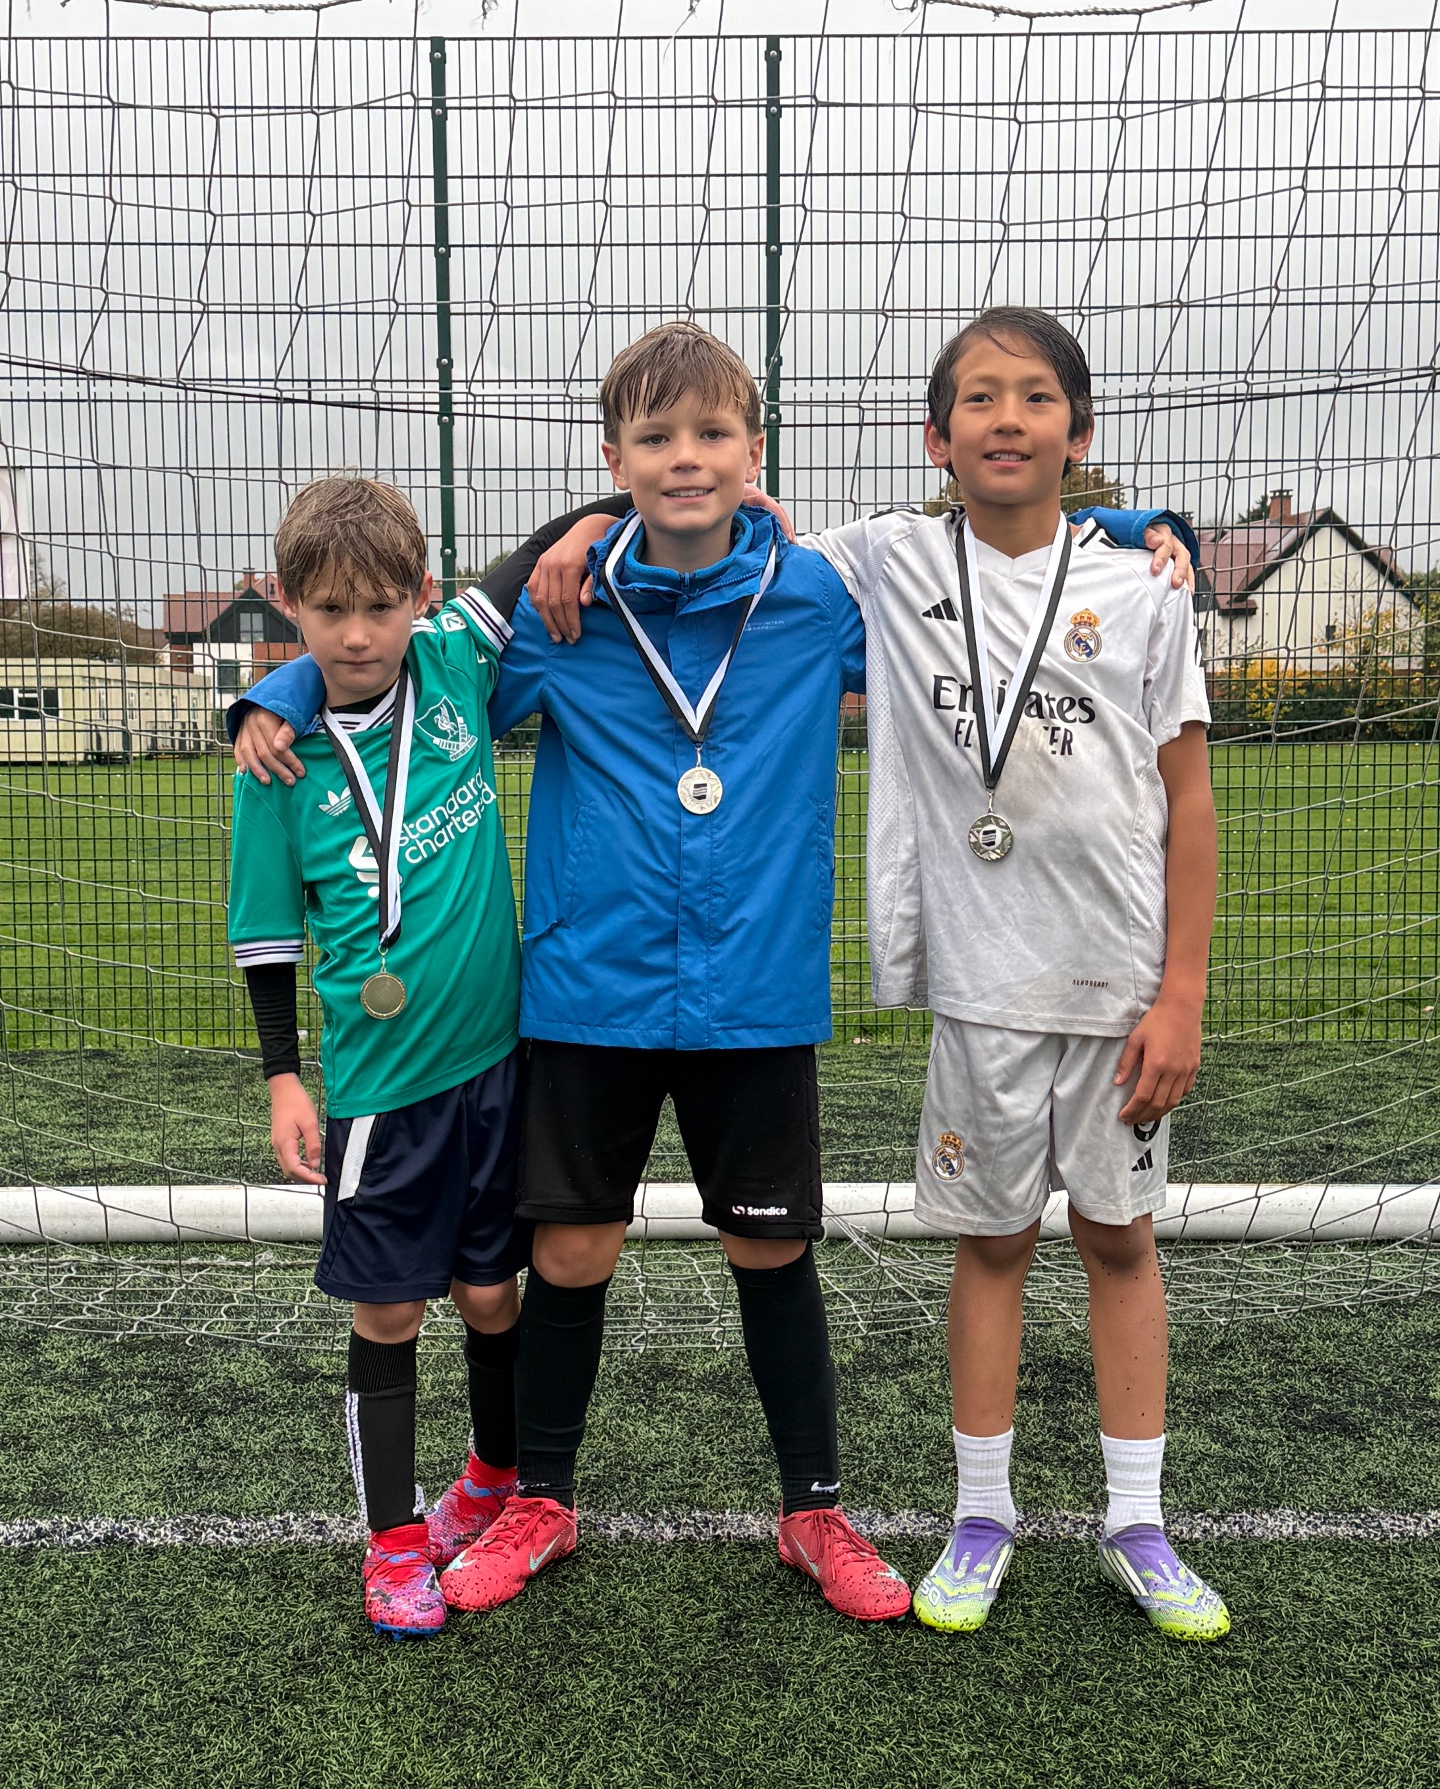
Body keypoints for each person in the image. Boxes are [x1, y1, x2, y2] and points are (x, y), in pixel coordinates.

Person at [233, 324, 1195, 1628]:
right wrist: (280, 685)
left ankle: (814, 1510)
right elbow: (409, 676)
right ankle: (542, 1503)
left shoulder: (819, 597)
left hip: (755, 987)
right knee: (570, 1250)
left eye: (711, 437)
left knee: (775, 1249)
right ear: (614, 460)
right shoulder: (562, 611)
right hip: (590, 992)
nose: (685, 460)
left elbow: (989, 563)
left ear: (755, 452)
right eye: (654, 440)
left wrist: (1142, 521)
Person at [810, 306, 1228, 1639]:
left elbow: (1193, 803)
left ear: (1077, 435)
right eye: (978, 400)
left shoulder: (1146, 587)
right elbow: (729, 521)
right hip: (981, 992)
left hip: (1119, 991)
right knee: (991, 1247)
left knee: (1118, 1239)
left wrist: (1183, 993)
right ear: (935, 440)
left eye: (1035, 397)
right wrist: (591, 532)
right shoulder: (885, 561)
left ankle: (1138, 1524)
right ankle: (981, 1514)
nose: (1006, 417)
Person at [227, 477, 529, 1639]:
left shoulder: (454, 668)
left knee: (493, 1294)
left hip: (496, 1067)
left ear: (422, 599)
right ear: (288, 606)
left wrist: (636, 509)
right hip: (375, 1095)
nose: (356, 636)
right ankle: (393, 1538)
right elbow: (264, 936)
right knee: (391, 1313)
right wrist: (281, 1075)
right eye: (328, 612)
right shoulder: (274, 761)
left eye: (379, 608)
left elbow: (553, 542)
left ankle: (494, 1479)